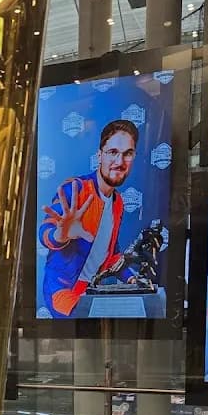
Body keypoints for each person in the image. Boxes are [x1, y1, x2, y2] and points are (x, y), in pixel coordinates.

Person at [39, 118, 138, 317]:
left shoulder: (118, 202)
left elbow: (111, 254)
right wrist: (61, 235)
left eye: (127, 153)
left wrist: (133, 279)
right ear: (100, 155)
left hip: (90, 292)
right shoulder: (75, 189)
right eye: (113, 152)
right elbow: (45, 232)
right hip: (63, 292)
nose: (120, 162)